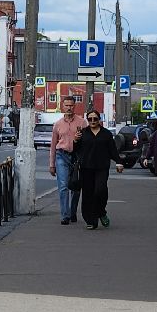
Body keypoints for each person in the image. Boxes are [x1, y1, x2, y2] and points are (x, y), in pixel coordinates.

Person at [71, 109, 124, 230]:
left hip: (102, 167)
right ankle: (91, 220)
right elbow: (76, 150)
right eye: (90, 119)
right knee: (88, 194)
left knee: (101, 191)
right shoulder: (83, 133)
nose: (93, 121)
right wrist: (75, 140)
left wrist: (119, 162)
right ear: (87, 120)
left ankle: (101, 212)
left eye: (95, 119)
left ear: (99, 119)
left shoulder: (106, 134)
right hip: (86, 168)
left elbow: (112, 150)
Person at [47, 96, 88, 225]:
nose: (69, 108)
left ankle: (72, 212)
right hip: (62, 156)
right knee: (63, 186)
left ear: (74, 106)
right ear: (62, 107)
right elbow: (53, 145)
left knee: (75, 186)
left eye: (71, 105)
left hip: (77, 157)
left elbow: (87, 142)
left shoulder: (82, 123)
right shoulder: (58, 124)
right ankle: (65, 215)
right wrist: (51, 164)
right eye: (67, 105)